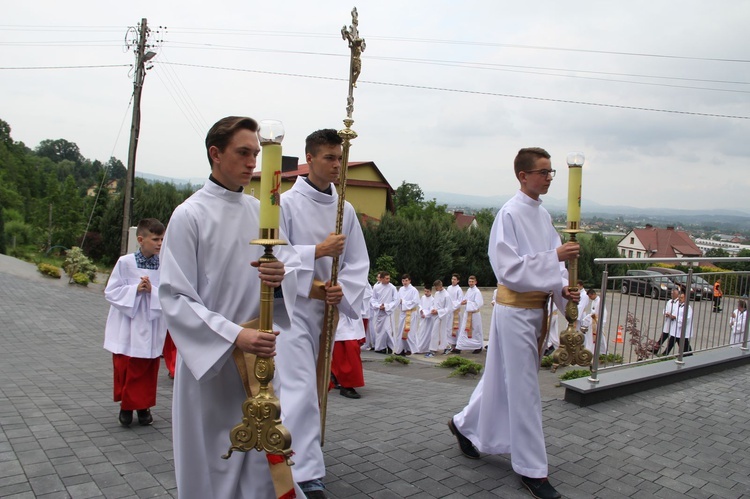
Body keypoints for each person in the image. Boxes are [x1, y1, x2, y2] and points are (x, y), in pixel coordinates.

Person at [158, 116, 303, 498]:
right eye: (243, 152)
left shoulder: (260, 211)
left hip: (258, 360)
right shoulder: (189, 215)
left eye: (256, 153)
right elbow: (175, 296)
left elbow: (284, 273)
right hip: (213, 362)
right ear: (215, 154)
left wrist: (279, 276)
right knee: (215, 459)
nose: (252, 162)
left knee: (262, 454)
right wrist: (237, 335)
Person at [449, 147, 579, 499]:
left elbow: (556, 272)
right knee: (524, 390)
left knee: (500, 381)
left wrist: (567, 292)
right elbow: (508, 270)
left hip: (536, 313)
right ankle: (532, 470)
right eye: (543, 171)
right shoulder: (509, 214)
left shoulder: (543, 216)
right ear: (523, 175)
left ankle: (463, 424)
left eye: (551, 172)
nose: (549, 177)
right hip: (515, 311)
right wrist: (555, 257)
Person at [276, 128, 370, 498]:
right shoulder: (286, 204)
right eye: (329, 158)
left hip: (327, 311)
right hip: (294, 310)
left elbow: (357, 262)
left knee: (315, 387)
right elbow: (274, 258)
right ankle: (305, 473)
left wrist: (339, 289)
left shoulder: (344, 209)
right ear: (309, 159)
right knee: (299, 386)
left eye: (340, 158)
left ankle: (297, 449)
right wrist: (317, 252)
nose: (337, 165)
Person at [103, 217, 167, 427]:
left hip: (151, 322)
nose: (159, 243)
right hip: (128, 325)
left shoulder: (165, 264)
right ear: (141, 239)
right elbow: (111, 291)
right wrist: (134, 290)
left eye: (162, 239)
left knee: (148, 367)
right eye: (156, 239)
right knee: (128, 366)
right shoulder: (126, 262)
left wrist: (153, 292)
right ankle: (126, 406)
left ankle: (144, 406)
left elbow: (171, 293)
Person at [455, 275, 485, 354]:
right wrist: (464, 302)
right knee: (464, 329)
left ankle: (478, 346)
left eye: (472, 282)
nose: (471, 283)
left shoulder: (477, 291)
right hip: (467, 313)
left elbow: (478, 304)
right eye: (469, 282)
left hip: (474, 314)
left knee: (476, 330)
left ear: (475, 282)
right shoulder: (469, 290)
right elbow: (466, 299)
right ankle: (460, 346)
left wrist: (467, 303)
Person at [371, 271, 398, 354]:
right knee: (379, 330)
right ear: (381, 279)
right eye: (386, 278)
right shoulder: (376, 287)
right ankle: (380, 347)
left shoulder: (392, 288)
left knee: (387, 330)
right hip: (380, 312)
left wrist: (386, 306)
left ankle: (390, 346)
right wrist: (379, 306)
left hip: (388, 313)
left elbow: (396, 300)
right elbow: (373, 299)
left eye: (389, 278)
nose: (388, 280)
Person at [394, 274, 420, 356]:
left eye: (406, 280)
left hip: (410, 313)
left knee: (409, 332)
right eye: (403, 281)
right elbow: (398, 300)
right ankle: (400, 349)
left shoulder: (413, 290)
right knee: (400, 332)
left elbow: (415, 302)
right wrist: (399, 302)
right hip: (403, 313)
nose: (404, 282)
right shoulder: (401, 289)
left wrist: (403, 302)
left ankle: (409, 349)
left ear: (409, 281)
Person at [426, 280, 452, 357]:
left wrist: (438, 311)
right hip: (436, 315)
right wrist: (433, 309)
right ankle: (447, 346)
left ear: (441, 286)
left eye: (436, 287)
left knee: (435, 332)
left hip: (442, 316)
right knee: (441, 333)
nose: (436, 289)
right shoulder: (437, 293)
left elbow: (448, 308)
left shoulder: (446, 295)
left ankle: (432, 350)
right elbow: (434, 303)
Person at [663, 291, 693, 355]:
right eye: (679, 297)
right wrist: (671, 315)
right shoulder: (678, 306)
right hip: (676, 328)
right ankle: (665, 353)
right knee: (675, 340)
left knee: (682, 342)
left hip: (681, 328)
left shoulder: (688, 308)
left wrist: (676, 318)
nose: (680, 299)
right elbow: (675, 313)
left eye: (681, 298)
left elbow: (686, 318)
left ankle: (688, 354)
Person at [653, 287, 680, 355]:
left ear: (677, 293)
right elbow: (665, 309)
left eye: (673, 293)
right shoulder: (669, 301)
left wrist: (671, 315)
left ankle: (666, 352)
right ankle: (656, 349)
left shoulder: (679, 303)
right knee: (663, 336)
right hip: (668, 322)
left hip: (675, 323)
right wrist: (666, 313)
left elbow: (677, 313)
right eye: (671, 293)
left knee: (676, 339)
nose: (672, 294)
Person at [582, 288, 607, 355]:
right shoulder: (593, 301)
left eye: (590, 296)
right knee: (592, 336)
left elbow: (602, 312)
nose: (590, 298)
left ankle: (604, 351)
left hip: (598, 321)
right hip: (593, 321)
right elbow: (592, 312)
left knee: (600, 337)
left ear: (594, 294)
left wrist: (599, 321)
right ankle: (592, 350)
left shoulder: (599, 301)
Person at [444, 274, 464, 354]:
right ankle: (450, 343)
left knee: (456, 328)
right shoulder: (448, 288)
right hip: (449, 312)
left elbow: (460, 301)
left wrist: (452, 305)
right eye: (452, 279)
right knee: (449, 327)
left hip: (455, 312)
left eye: (455, 279)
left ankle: (457, 345)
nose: (453, 280)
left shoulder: (459, 290)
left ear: (458, 281)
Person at [415, 284, 436, 354]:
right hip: (423, 318)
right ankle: (419, 347)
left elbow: (432, 309)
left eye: (427, 291)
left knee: (428, 334)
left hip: (429, 320)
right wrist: (421, 311)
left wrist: (426, 314)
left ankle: (426, 348)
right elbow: (420, 305)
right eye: (425, 291)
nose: (426, 293)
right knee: (421, 333)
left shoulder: (433, 299)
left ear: (431, 291)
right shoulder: (423, 298)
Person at [359, 282, 375, 351]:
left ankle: (363, 341)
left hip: (365, 310)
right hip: (358, 310)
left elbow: (370, 294)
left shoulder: (367, 285)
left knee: (364, 326)